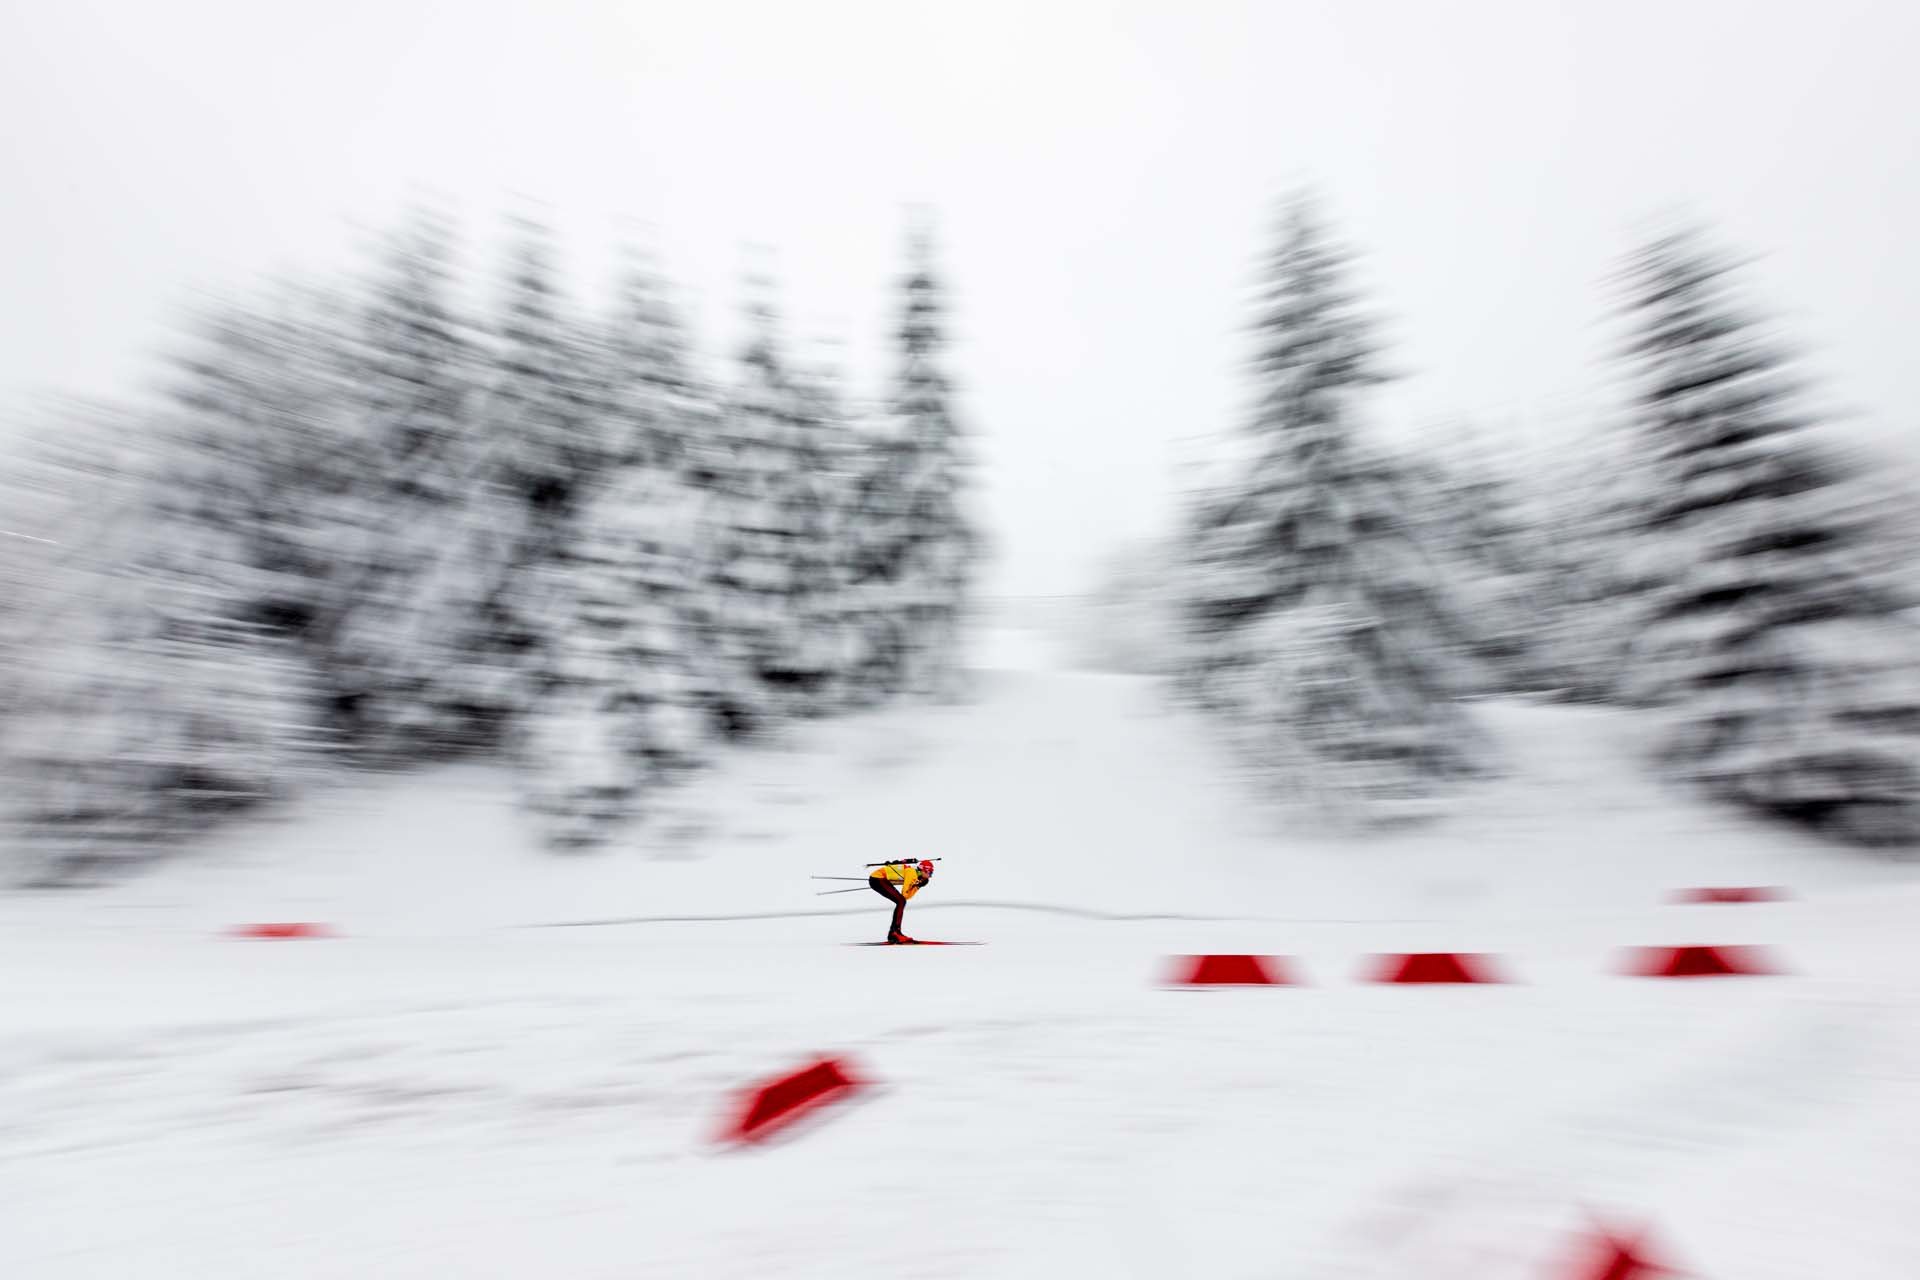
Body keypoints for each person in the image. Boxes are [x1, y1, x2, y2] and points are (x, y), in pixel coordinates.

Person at [867, 859, 934, 944]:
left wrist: (917, 886)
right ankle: (895, 933)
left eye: (931, 873)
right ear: (923, 870)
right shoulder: (912, 873)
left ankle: (894, 933)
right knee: (901, 901)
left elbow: (907, 897)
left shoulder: (915, 875)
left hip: (880, 879)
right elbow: (905, 894)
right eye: (930, 873)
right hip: (877, 879)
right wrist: (917, 885)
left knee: (901, 901)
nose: (930, 876)